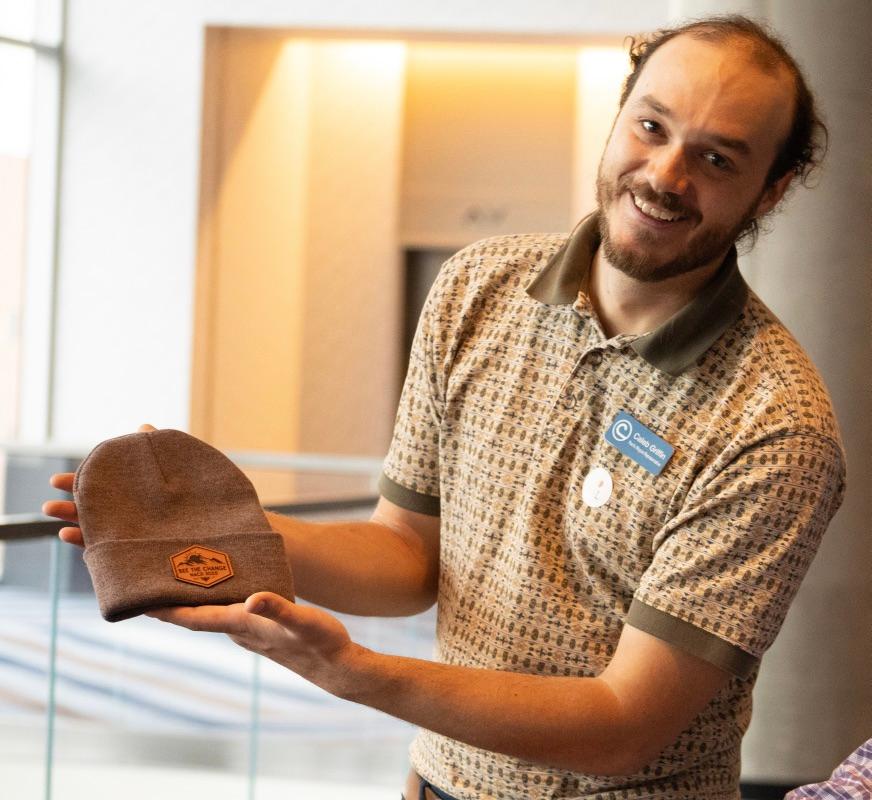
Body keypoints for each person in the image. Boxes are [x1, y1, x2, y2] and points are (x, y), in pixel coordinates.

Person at [44, 15, 846, 800]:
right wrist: (227, 530)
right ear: (619, 114)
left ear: (771, 189)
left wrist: (354, 673)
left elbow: (623, 725)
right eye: (651, 126)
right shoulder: (476, 288)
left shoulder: (774, 423)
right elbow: (408, 557)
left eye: (716, 157)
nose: (666, 175)